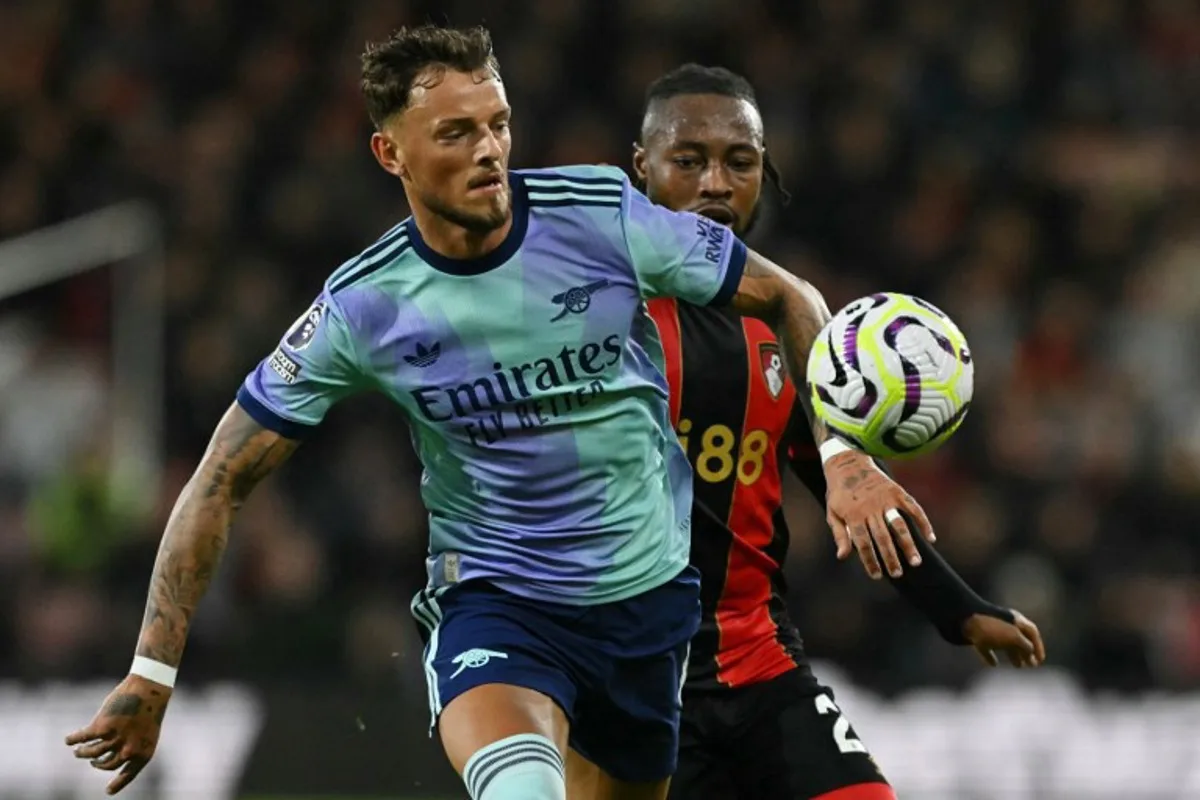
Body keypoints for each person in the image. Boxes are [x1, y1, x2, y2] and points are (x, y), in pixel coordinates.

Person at [65, 27, 938, 800]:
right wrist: (152, 671)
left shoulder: (599, 217)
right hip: (499, 605)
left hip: (649, 614)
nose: (490, 151)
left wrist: (844, 458)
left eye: (498, 124)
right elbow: (219, 479)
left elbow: (792, 297)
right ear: (390, 154)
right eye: (455, 133)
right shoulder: (363, 307)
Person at [582, 63, 1044, 800]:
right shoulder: (589, 318)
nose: (715, 184)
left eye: (740, 162)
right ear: (642, 168)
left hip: (760, 663)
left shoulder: (791, 332)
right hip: (632, 681)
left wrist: (960, 612)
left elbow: (857, 502)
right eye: (689, 160)